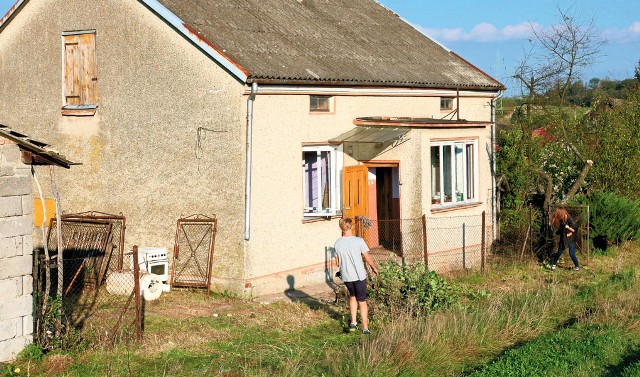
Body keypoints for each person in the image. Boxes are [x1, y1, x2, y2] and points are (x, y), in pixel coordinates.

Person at [334, 217, 378, 334]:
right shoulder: (359, 241)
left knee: (352, 296)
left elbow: (337, 263)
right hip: (359, 276)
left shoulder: (337, 243)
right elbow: (367, 257)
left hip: (346, 276)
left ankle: (353, 322)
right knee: (362, 301)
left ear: (341, 228)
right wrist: (374, 267)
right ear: (351, 226)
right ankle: (365, 328)